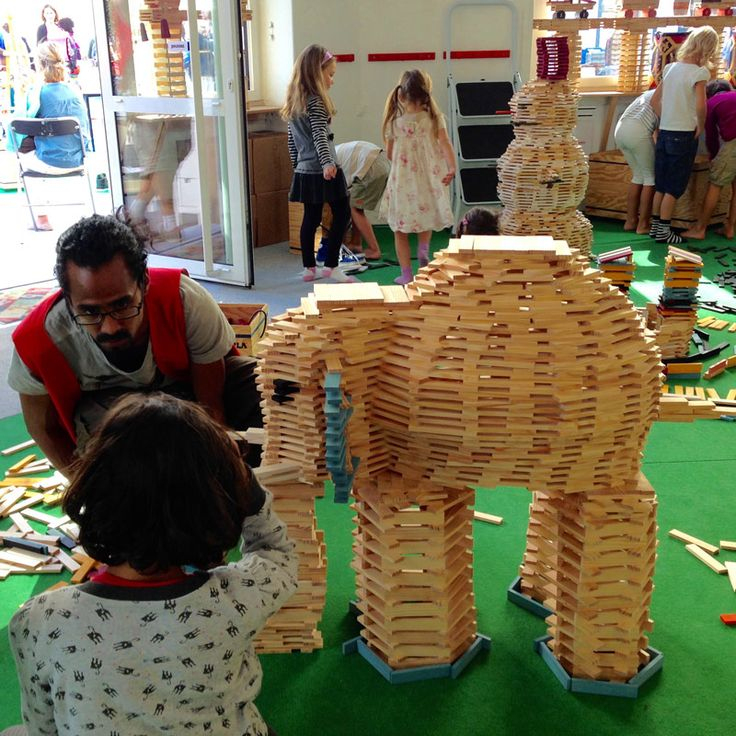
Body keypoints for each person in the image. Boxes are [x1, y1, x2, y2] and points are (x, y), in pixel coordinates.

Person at [8, 392, 297, 735]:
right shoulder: (235, 599)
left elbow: (44, 726)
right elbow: (276, 553)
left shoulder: (38, 619)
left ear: (92, 489)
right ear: (217, 507)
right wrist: (247, 485)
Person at [7, 213, 263, 476]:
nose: (110, 327)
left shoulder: (185, 299)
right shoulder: (39, 340)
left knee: (265, 383)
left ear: (145, 283)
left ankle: (254, 484)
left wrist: (219, 451)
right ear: (68, 300)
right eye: (90, 312)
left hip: (187, 390)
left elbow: (211, 403)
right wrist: (83, 485)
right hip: (111, 414)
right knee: (132, 454)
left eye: (122, 305)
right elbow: (43, 428)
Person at [282, 44, 356, 283]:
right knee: (343, 211)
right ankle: (332, 265)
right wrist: (326, 163)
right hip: (324, 168)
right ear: (316, 72)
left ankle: (309, 268)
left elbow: (291, 140)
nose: (332, 80)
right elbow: (319, 134)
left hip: (305, 170)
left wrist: (296, 167)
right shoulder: (315, 101)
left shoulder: (295, 101)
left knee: (311, 218)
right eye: (330, 74)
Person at [379, 69, 456, 285]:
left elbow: (391, 154)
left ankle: (406, 274)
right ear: (426, 94)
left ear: (401, 96)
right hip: (426, 180)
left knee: (399, 230)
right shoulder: (434, 118)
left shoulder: (395, 121)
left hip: (402, 181)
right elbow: (445, 143)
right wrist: (451, 167)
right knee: (426, 217)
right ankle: (423, 253)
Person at [7, 41, 91, 231]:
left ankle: (42, 218)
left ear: (39, 65)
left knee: (22, 152)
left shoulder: (37, 93)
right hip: (78, 159)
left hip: (47, 162)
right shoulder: (75, 90)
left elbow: (15, 124)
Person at [650, 25, 719, 245]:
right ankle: (664, 230)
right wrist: (700, 124)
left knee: (661, 183)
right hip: (684, 134)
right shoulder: (700, 72)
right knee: (674, 185)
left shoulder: (670, 68)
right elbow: (701, 105)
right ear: (708, 49)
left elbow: (654, 101)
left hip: (666, 131)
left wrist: (666, 119)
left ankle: (655, 227)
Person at [682, 79, 736, 239]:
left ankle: (700, 229)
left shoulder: (712, 103)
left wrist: (713, 156)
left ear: (708, 93)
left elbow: (711, 135)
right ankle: (730, 227)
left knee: (715, 184)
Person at [333, 140, 390, 260]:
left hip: (371, 165)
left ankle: (374, 250)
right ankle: (356, 243)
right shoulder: (333, 152)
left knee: (355, 209)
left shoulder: (324, 165)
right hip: (379, 161)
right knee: (355, 206)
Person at [614, 89, 659, 235]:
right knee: (650, 178)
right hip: (638, 130)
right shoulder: (671, 92)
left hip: (621, 130)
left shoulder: (651, 92)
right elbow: (659, 128)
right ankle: (643, 224)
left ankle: (630, 221)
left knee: (638, 176)